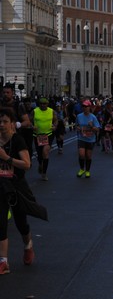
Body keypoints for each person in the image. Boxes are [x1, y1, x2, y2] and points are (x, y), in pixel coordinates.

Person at [0, 107, 48, 274]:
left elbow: (27, 164)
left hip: (16, 186)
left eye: (5, 122)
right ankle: (3, 262)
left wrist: (6, 158)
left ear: (12, 124)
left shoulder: (18, 140)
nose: (1, 125)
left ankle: (28, 246)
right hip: (1, 186)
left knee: (21, 224)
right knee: (1, 222)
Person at [32, 98, 58, 181]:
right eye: (41, 104)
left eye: (44, 104)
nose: (43, 105)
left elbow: (56, 120)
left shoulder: (51, 111)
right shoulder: (35, 111)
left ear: (47, 104)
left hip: (48, 135)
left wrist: (55, 126)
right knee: (40, 154)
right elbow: (28, 121)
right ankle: (41, 164)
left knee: (45, 152)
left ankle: (44, 173)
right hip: (37, 135)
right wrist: (32, 126)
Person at [75, 99, 101, 178]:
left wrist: (92, 126)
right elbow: (76, 125)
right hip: (81, 138)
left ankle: (87, 171)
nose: (84, 108)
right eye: (83, 106)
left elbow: (98, 129)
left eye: (86, 106)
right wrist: (78, 128)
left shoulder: (93, 117)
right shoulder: (79, 116)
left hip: (90, 139)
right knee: (81, 154)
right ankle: (82, 169)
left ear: (89, 107)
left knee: (88, 156)